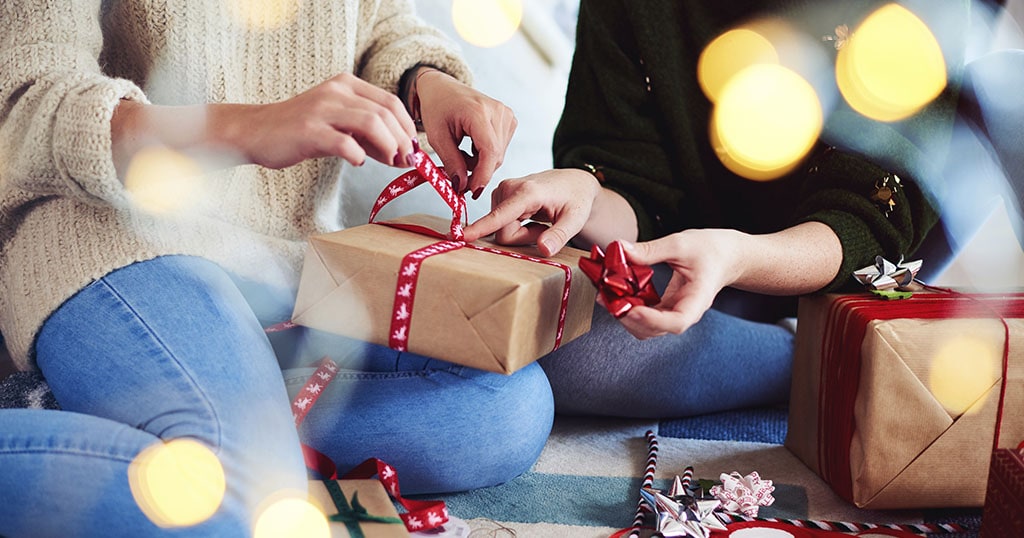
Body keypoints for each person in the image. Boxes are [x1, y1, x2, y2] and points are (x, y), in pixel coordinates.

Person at [0, 1, 550, 536]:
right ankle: (221, 442)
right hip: (118, 236)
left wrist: (424, 79)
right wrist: (249, 127)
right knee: (225, 500)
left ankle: (154, 409)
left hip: (286, 263)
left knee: (506, 409)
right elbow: (22, 106)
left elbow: (376, 22)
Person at [463, 0, 1015, 418]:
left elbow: (868, 220)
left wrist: (740, 257)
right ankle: (810, 363)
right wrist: (586, 195)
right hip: (687, 260)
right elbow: (639, 187)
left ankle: (819, 357)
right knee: (551, 337)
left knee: (1006, 88)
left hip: (850, 274)